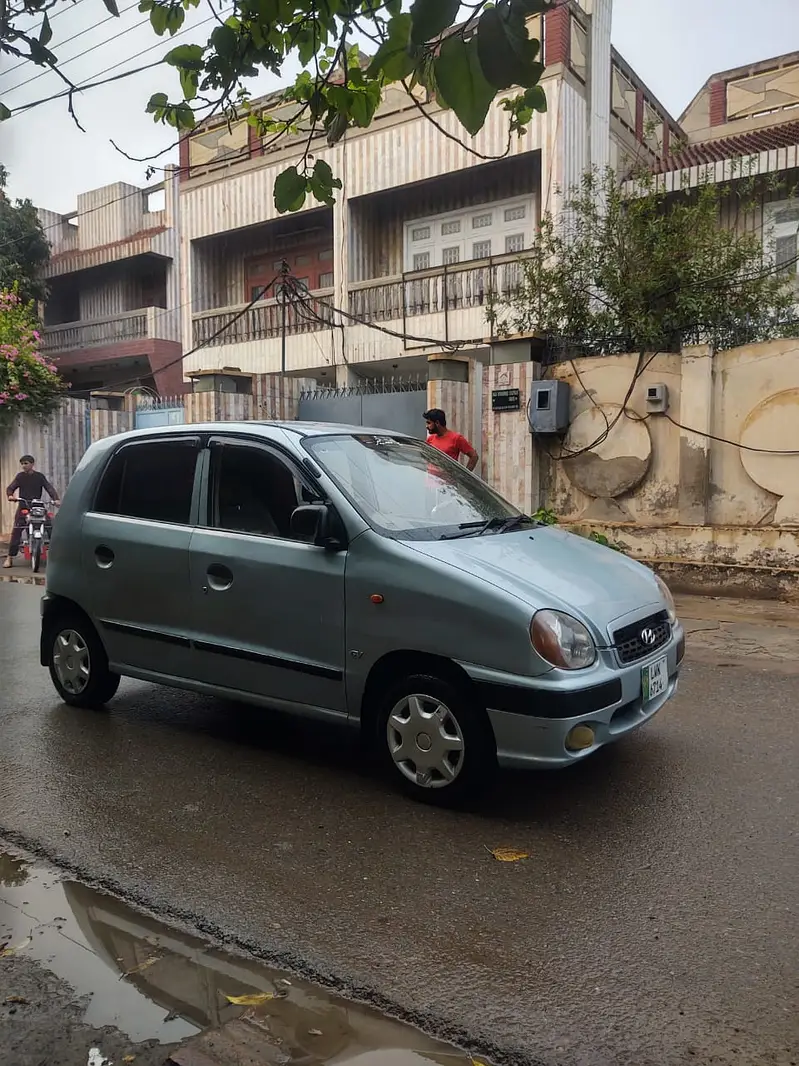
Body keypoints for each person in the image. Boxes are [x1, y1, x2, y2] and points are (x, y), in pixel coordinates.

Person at [4, 455, 60, 568]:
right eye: (22, 464)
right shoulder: (20, 477)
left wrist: (56, 499)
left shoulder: (39, 477)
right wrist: (10, 495)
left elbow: (49, 488)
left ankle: (58, 557)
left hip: (38, 506)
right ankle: (9, 558)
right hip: (23, 506)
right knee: (16, 531)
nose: (24, 466)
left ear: (32, 464)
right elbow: (11, 488)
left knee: (50, 527)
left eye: (26, 463)